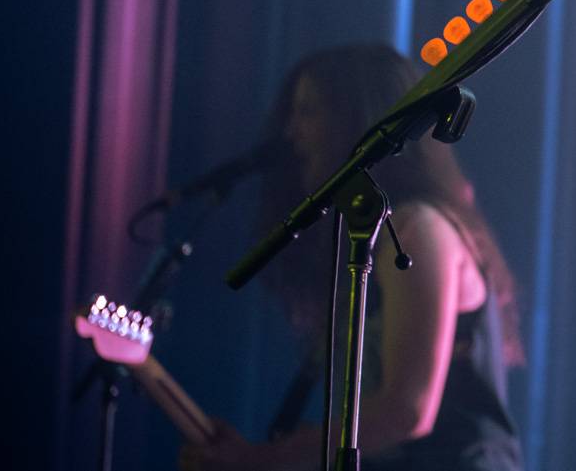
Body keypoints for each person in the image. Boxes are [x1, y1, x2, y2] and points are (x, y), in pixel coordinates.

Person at [180, 43, 524, 471]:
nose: (291, 133)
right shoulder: (375, 230)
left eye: (309, 112)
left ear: (357, 120)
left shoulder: (418, 229)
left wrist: (261, 460)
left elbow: (406, 411)